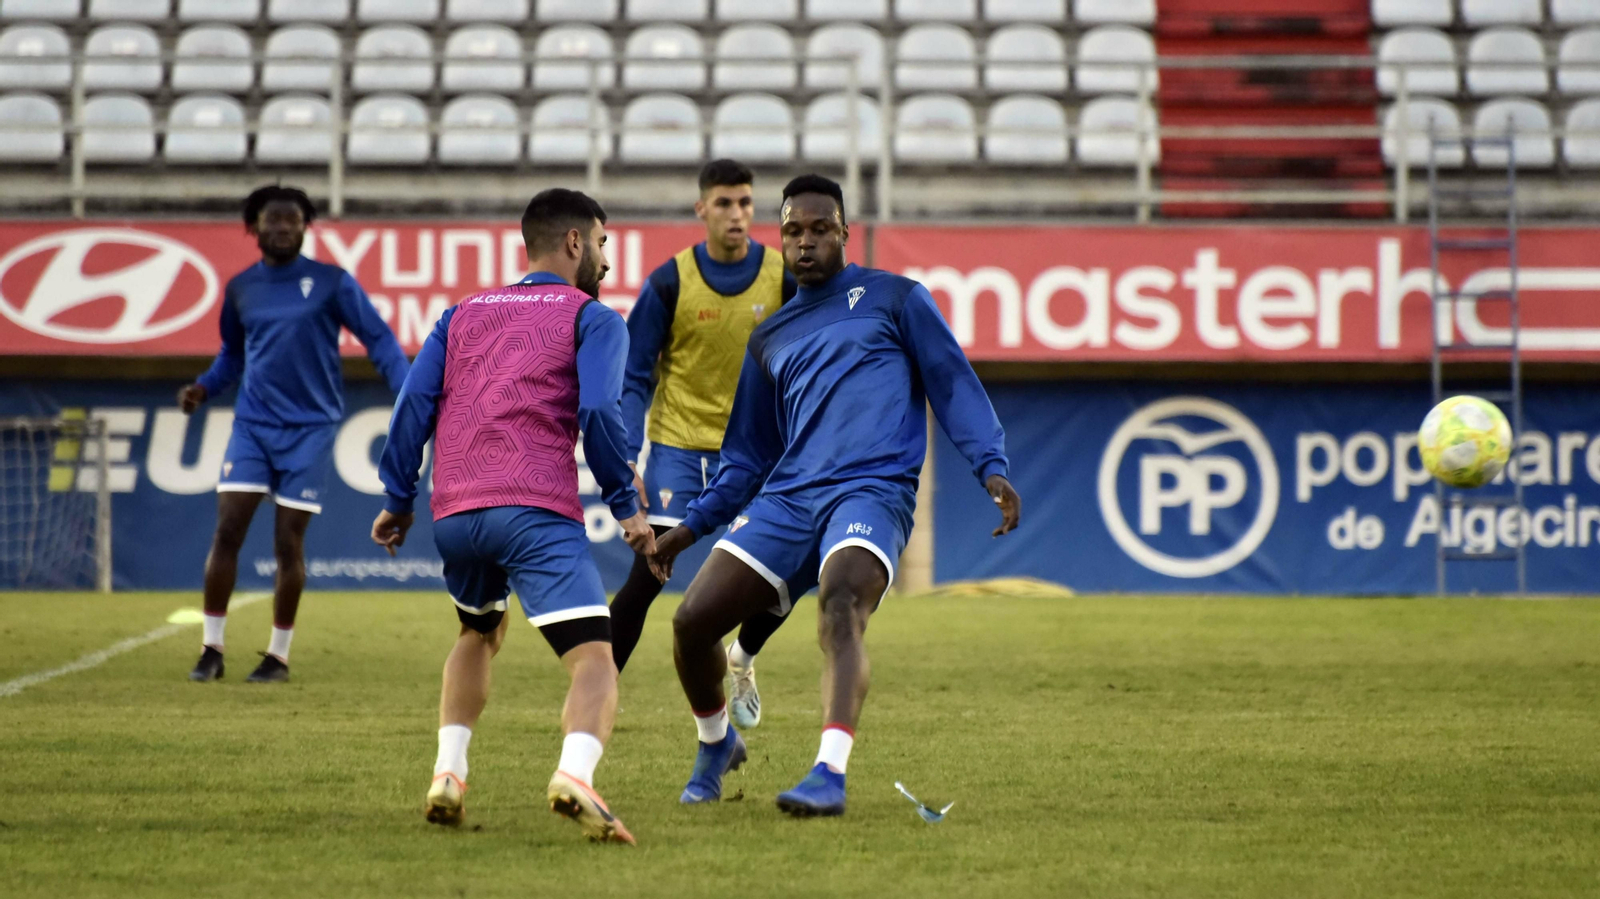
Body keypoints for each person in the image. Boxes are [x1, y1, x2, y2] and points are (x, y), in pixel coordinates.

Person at [650, 175, 1022, 816]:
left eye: (820, 229)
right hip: (789, 498)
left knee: (842, 602)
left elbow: (952, 382)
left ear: (844, 232)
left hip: (872, 491)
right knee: (690, 624)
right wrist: (689, 527)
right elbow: (745, 458)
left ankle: (828, 772)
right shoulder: (769, 338)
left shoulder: (896, 299)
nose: (805, 242)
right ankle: (716, 743)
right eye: (793, 231)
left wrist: (990, 465)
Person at [372, 188, 652, 844]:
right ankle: (575, 774)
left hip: (456, 513)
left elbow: (412, 406)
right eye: (603, 244)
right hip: (532, 508)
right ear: (576, 242)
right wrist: (626, 505)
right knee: (593, 659)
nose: (607, 261)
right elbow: (598, 413)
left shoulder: (459, 314)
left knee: (478, 633)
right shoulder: (595, 317)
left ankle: (448, 773)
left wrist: (395, 499)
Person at [182, 185, 409, 684]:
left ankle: (277, 656)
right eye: (272, 219)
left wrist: (406, 390)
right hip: (253, 426)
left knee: (288, 542)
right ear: (254, 227)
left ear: (306, 227)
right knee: (228, 529)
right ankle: (211, 649)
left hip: (310, 429)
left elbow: (379, 337)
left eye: (292, 219)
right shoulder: (241, 288)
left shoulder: (331, 282)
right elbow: (233, 356)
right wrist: (204, 387)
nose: (283, 227)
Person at [610, 158, 798, 729]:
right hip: (680, 447)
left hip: (759, 453)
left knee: (786, 573)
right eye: (724, 203)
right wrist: (625, 452)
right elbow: (636, 375)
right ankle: (598, 693)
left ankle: (744, 659)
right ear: (701, 210)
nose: (737, 214)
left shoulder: (783, 277)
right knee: (647, 574)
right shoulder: (670, 282)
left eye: (745, 202)